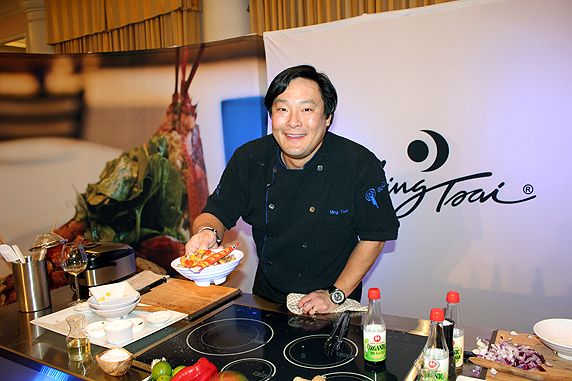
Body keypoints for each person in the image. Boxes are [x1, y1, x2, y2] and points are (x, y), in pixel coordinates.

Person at [185, 65, 399, 314]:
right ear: (271, 116)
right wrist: (207, 232)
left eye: (307, 109)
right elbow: (216, 212)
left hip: (332, 300)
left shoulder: (358, 164)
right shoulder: (249, 158)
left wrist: (336, 294)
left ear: (328, 117)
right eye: (282, 109)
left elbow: (374, 235)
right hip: (268, 299)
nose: (293, 122)